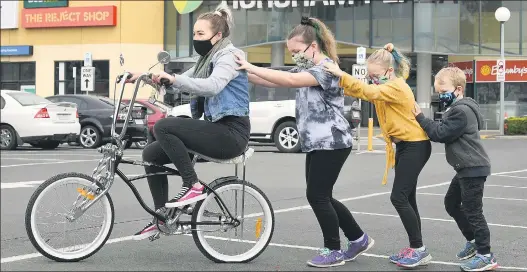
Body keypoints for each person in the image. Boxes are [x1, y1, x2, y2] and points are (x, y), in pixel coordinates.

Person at [234, 16, 374, 268]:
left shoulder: (326, 69)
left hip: (331, 141)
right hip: (317, 142)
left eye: (297, 51)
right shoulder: (307, 68)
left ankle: (333, 249)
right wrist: (243, 73)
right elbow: (273, 79)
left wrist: (250, 65)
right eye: (291, 52)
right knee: (322, 196)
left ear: (313, 46)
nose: (294, 56)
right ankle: (358, 239)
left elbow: (288, 81)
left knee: (317, 196)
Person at [126, 2, 251, 241]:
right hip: (216, 129)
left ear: (218, 36)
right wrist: (142, 76)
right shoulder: (206, 60)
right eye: (194, 33)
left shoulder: (230, 57)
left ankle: (192, 185)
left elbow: (213, 86)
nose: (196, 38)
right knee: (151, 155)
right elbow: (180, 79)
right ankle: (162, 217)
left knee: (163, 125)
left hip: (232, 134)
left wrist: (173, 80)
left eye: (201, 34)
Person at [323, 43, 432, 268]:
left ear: (389, 71)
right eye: (369, 75)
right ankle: (416, 247)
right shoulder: (388, 84)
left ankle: (419, 249)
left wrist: (341, 74)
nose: (371, 79)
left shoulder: (396, 87)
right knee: (407, 198)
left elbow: (370, 92)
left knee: (399, 197)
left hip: (416, 145)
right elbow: (363, 90)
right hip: (404, 147)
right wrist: (339, 82)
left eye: (375, 75)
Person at [412, 67, 497, 272]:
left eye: (443, 92)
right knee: (451, 203)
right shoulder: (461, 108)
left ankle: (485, 255)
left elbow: (440, 133)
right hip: (466, 168)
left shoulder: (461, 111)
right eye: (438, 92)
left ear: (458, 89)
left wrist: (421, 118)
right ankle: (474, 240)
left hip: (472, 168)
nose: (440, 96)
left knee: (473, 211)